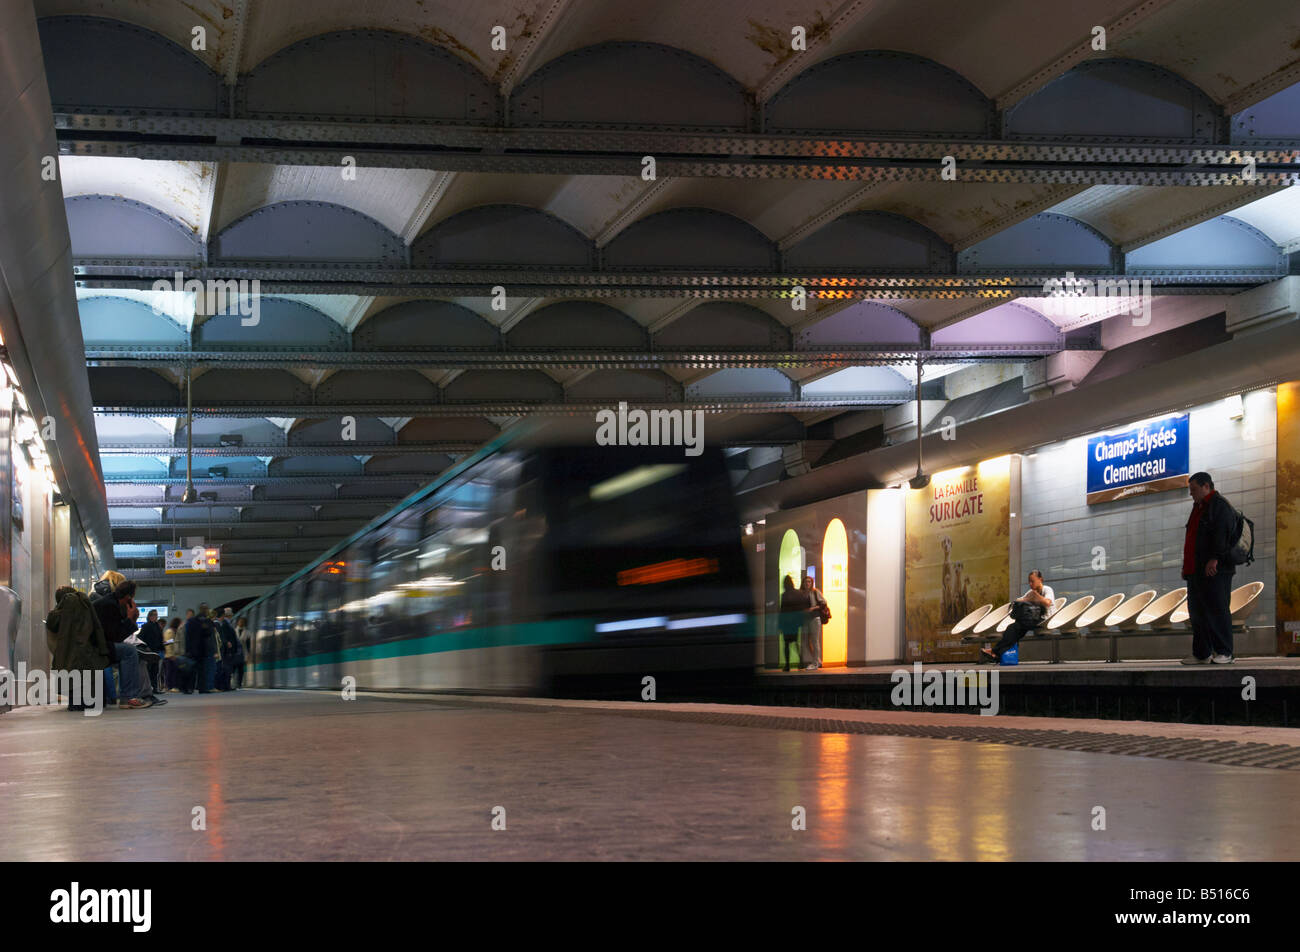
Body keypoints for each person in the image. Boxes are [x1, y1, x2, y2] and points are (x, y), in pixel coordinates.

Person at [1180, 472, 1238, 665]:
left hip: (1215, 569)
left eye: (1194, 489)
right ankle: (1202, 653)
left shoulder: (1219, 506)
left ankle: (1224, 651)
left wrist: (1214, 559)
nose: (1191, 494)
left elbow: (1222, 534)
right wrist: (1187, 568)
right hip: (1196, 570)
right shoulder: (1199, 507)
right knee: (1197, 612)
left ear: (1206, 486)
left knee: (1217, 609)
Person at [91, 572, 164, 708]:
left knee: (130, 650)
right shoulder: (109, 605)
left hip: (99, 643)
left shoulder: (110, 602)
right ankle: (129, 697)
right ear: (129, 597)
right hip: (97, 646)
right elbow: (116, 636)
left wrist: (131, 620)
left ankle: (131, 695)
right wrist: (131, 619)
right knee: (130, 651)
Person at [45, 585, 110, 711]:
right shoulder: (86, 605)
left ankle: (78, 702)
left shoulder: (59, 613)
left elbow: (52, 624)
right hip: (89, 653)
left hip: (71, 658)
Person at [981, 570, 1055, 663]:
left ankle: (995, 652)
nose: (1030, 584)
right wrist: (1027, 599)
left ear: (1040, 579)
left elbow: (1047, 603)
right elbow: (1020, 599)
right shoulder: (1031, 592)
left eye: (1032, 581)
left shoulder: (1047, 590)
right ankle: (996, 653)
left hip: (1045, 619)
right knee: (1012, 628)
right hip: (1032, 620)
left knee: (1017, 627)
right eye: (1029, 581)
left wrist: (1035, 596)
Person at [185, 603, 219, 693]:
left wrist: (187, 649)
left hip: (194, 649)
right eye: (205, 609)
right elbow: (209, 634)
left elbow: (188, 636)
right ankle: (201, 688)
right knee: (201, 670)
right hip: (202, 649)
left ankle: (190, 688)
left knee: (193, 670)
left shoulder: (193, 621)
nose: (206, 610)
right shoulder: (206, 621)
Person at [778, 574, 809, 672]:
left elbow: (782, 611)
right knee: (795, 642)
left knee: (786, 644)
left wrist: (780, 625)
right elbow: (802, 608)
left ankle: (787, 665)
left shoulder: (784, 595)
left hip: (786, 623)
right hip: (795, 622)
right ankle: (801, 661)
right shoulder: (798, 593)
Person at [801, 575, 828, 670]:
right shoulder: (802, 593)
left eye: (809, 582)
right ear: (803, 583)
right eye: (805, 582)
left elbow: (824, 602)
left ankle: (815, 663)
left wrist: (813, 608)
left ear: (812, 583)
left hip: (815, 618)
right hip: (806, 619)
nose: (807, 583)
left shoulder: (815, 591)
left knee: (815, 640)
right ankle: (817, 660)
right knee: (805, 641)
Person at [138, 609, 165, 695]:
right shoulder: (146, 626)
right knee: (148, 671)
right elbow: (141, 638)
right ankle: (148, 689)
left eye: (156, 615)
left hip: (156, 651)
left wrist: (162, 647)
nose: (156, 616)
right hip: (149, 652)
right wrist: (146, 647)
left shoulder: (157, 626)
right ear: (149, 616)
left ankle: (154, 688)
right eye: (154, 615)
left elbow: (160, 638)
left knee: (155, 671)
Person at [162, 616, 184, 692]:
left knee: (174, 672)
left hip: (174, 656)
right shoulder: (170, 632)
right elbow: (168, 644)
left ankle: (173, 686)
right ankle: (169, 687)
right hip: (169, 656)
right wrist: (170, 655)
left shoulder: (175, 631)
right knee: (170, 672)